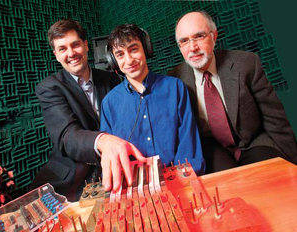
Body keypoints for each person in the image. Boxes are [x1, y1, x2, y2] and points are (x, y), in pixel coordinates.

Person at [29, 19, 146, 201]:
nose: (71, 53)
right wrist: (103, 141)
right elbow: (67, 136)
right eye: (62, 49)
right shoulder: (50, 88)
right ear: (56, 55)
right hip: (71, 179)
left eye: (75, 45)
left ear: (85, 45)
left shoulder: (112, 80)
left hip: (115, 170)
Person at [168, 11, 297, 173]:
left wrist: (293, 163)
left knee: (274, 177)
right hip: (212, 148)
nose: (192, 47)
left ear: (214, 36)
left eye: (199, 36)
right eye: (184, 41)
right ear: (180, 47)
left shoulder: (247, 64)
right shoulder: (175, 80)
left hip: (252, 142)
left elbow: (274, 118)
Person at [100, 24, 205, 186]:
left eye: (133, 49)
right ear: (113, 60)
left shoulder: (175, 88)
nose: (128, 60)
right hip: (134, 187)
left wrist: (180, 179)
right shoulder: (109, 103)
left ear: (146, 49)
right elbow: (112, 156)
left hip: (178, 180)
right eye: (120, 54)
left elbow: (188, 142)